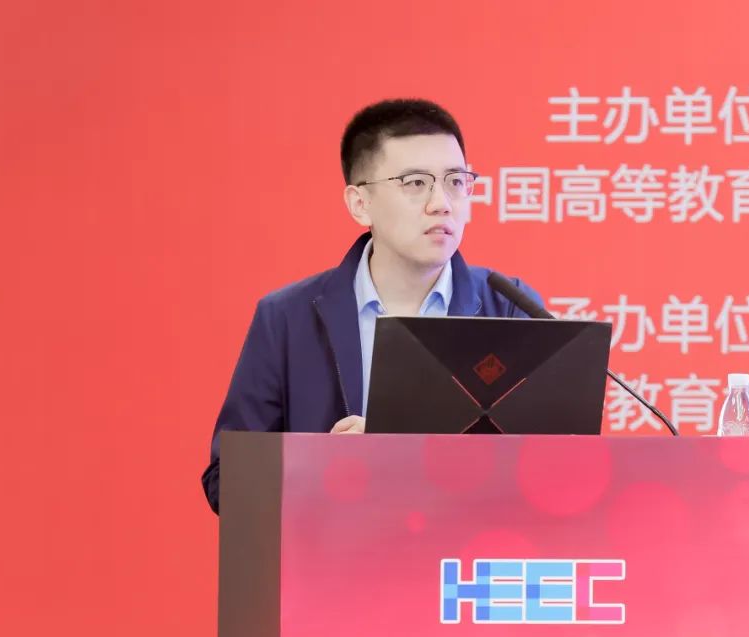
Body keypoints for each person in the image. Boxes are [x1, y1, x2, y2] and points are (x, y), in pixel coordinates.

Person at [201, 98, 542, 513]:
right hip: (335, 549)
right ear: (359, 203)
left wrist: (401, 454)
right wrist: (328, 466)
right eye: (415, 183)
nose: (442, 202)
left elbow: (550, 471)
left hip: (467, 551)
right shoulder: (286, 318)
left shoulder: (510, 309)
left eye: (456, 181)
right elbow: (227, 481)